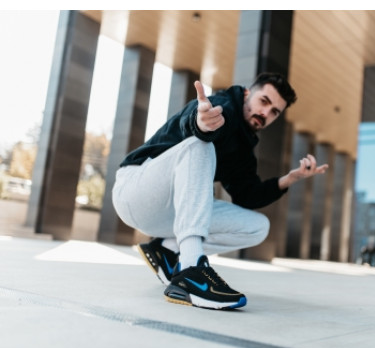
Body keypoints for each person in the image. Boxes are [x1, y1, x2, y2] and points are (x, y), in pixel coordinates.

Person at [112, 73, 328, 310]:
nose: (266, 113)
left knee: (257, 226)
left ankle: (167, 250)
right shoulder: (220, 106)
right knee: (199, 143)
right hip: (135, 191)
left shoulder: (244, 148)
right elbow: (193, 120)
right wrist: (201, 124)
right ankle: (191, 269)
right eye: (264, 101)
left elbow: (248, 195)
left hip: (170, 215)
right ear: (247, 93)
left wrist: (291, 178)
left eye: (275, 111)